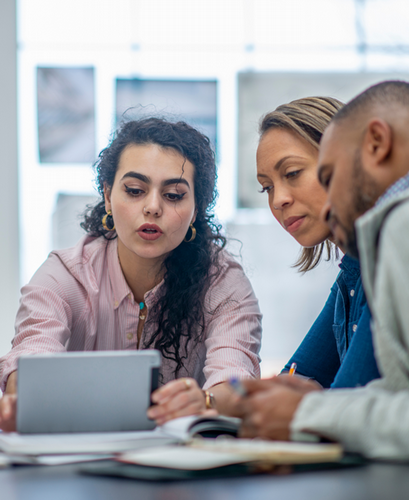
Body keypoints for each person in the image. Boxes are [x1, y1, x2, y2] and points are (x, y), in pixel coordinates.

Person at [237, 81, 409, 470]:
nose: (280, 201)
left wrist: (309, 414)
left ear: (376, 142)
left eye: (327, 175)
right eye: (266, 189)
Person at [0, 117, 262, 432]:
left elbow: (236, 382)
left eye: (174, 195)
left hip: (182, 471)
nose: (152, 207)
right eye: (135, 190)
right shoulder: (64, 276)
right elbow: (31, 357)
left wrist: (207, 402)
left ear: (197, 208)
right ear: (108, 196)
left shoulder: (223, 284)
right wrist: (24, 393)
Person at [256, 97, 379, 388]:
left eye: (292, 173)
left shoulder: (385, 265)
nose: (278, 200)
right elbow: (292, 381)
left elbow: (343, 404)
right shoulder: (349, 277)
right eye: (267, 188)